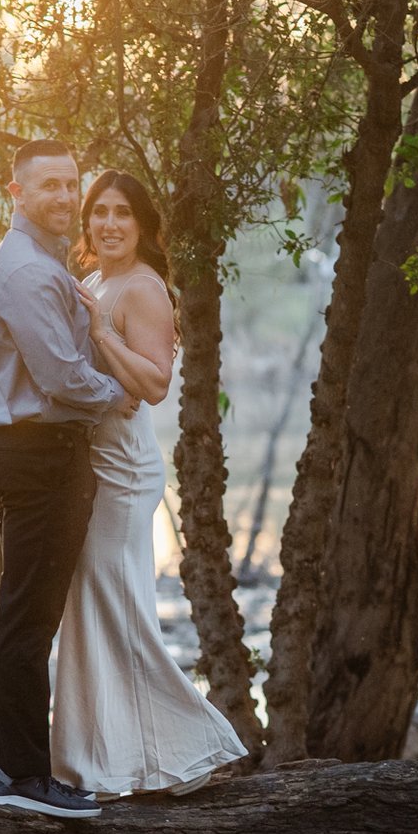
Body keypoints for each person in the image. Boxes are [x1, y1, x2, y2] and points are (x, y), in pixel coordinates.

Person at [53, 170, 247, 796]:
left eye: (121, 214)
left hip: (126, 471)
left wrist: (104, 336)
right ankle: (103, 765)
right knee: (91, 605)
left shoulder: (142, 289)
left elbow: (156, 385)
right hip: (93, 463)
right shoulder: (92, 282)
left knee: (115, 604)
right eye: (99, 213)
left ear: (141, 225)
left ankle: (196, 747)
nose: (108, 224)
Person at [0, 140, 132, 819]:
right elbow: (63, 376)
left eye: (72, 185)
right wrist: (120, 396)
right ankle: (21, 777)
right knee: (27, 619)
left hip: (45, 453)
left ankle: (21, 772)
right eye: (50, 187)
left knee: (29, 614)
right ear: (17, 192)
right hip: (37, 454)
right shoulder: (27, 273)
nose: (65, 198)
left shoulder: (40, 263)